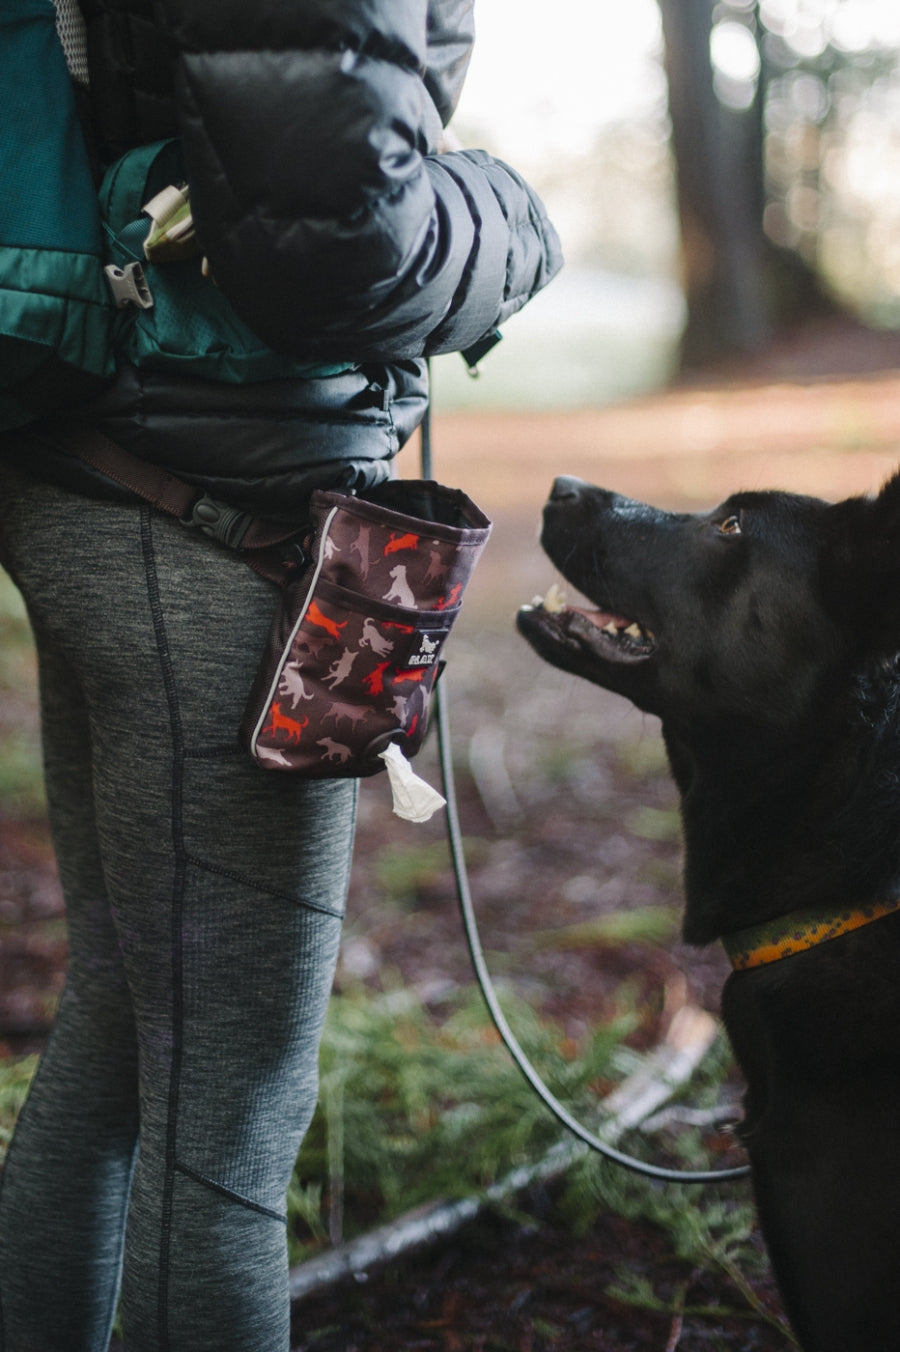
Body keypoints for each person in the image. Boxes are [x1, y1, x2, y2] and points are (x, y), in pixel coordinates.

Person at [0, 2, 562, 1350]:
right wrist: (518, 221)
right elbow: (333, 239)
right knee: (231, 1108)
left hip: (95, 472)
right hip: (201, 515)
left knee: (126, 1018)